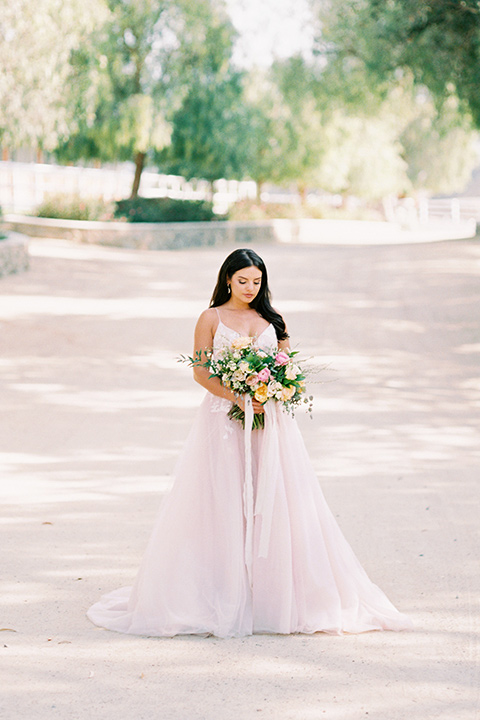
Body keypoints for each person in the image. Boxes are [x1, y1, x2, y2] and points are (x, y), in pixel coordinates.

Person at [87, 248, 412, 637]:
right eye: (242, 281)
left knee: (276, 498)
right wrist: (238, 397)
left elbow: (284, 366)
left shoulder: (272, 320)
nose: (249, 288)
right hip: (224, 421)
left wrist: (274, 390)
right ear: (227, 279)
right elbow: (201, 371)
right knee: (220, 499)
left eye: (256, 282)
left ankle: (274, 594)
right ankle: (221, 590)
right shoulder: (211, 317)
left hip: (271, 423)